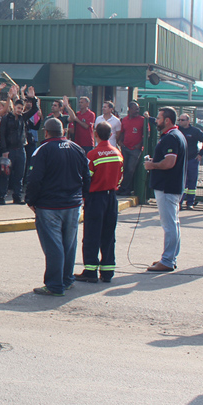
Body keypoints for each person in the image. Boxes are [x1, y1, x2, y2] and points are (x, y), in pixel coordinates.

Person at [25, 117, 91, 296]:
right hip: (73, 204)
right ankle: (66, 279)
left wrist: (31, 200)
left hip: (50, 205)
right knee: (69, 244)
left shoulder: (43, 150)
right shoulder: (76, 148)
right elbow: (86, 175)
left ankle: (55, 285)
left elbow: (34, 179)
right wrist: (84, 197)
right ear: (63, 131)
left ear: (46, 132)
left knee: (54, 245)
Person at [75, 121, 123, 283]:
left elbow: (86, 179)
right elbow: (120, 177)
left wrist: (84, 196)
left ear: (95, 134)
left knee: (91, 235)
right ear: (111, 135)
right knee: (109, 234)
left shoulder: (92, 155)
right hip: (111, 198)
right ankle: (107, 272)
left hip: (95, 198)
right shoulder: (117, 153)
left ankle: (90, 271)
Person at [143, 106, 187, 272]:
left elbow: (169, 162)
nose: (156, 121)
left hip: (168, 187)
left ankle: (168, 260)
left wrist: (152, 165)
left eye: (159, 118)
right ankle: (170, 257)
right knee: (173, 223)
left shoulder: (171, 137)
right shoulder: (175, 135)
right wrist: (155, 161)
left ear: (167, 120)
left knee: (169, 225)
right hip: (171, 186)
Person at [176, 113, 203, 210]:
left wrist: (201, 154)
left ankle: (190, 202)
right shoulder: (177, 130)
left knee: (192, 182)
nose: (180, 122)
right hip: (180, 161)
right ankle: (179, 202)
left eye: (182, 120)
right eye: (179, 120)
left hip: (192, 160)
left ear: (188, 121)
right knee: (181, 182)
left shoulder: (195, 131)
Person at [117, 101, 146, 196]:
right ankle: (124, 187)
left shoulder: (142, 120)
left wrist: (140, 144)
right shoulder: (125, 120)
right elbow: (122, 132)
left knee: (130, 169)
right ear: (130, 109)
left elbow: (146, 134)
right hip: (125, 147)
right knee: (124, 168)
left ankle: (126, 188)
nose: (137, 111)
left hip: (135, 149)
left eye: (138, 109)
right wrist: (120, 141)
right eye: (135, 109)